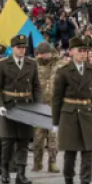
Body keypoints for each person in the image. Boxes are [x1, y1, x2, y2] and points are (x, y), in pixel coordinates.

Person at [52, 36, 92, 184]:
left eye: (85, 51)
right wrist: (56, 122)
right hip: (69, 114)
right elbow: (57, 97)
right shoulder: (63, 71)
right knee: (70, 155)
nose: (83, 54)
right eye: (79, 50)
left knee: (88, 155)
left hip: (86, 113)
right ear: (71, 52)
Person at [0, 34, 42, 184]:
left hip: (26, 105)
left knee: (23, 141)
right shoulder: (3, 65)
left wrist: (37, 105)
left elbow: (36, 87)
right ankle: (5, 171)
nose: (22, 50)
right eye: (19, 47)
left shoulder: (31, 64)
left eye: (23, 48)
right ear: (13, 48)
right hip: (9, 106)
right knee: (8, 141)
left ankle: (21, 174)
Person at [34, 43, 62, 171]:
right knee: (39, 138)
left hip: (54, 106)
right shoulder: (34, 66)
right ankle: (37, 163)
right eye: (41, 53)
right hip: (39, 106)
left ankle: (52, 162)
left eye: (46, 53)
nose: (43, 55)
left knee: (53, 137)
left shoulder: (59, 66)